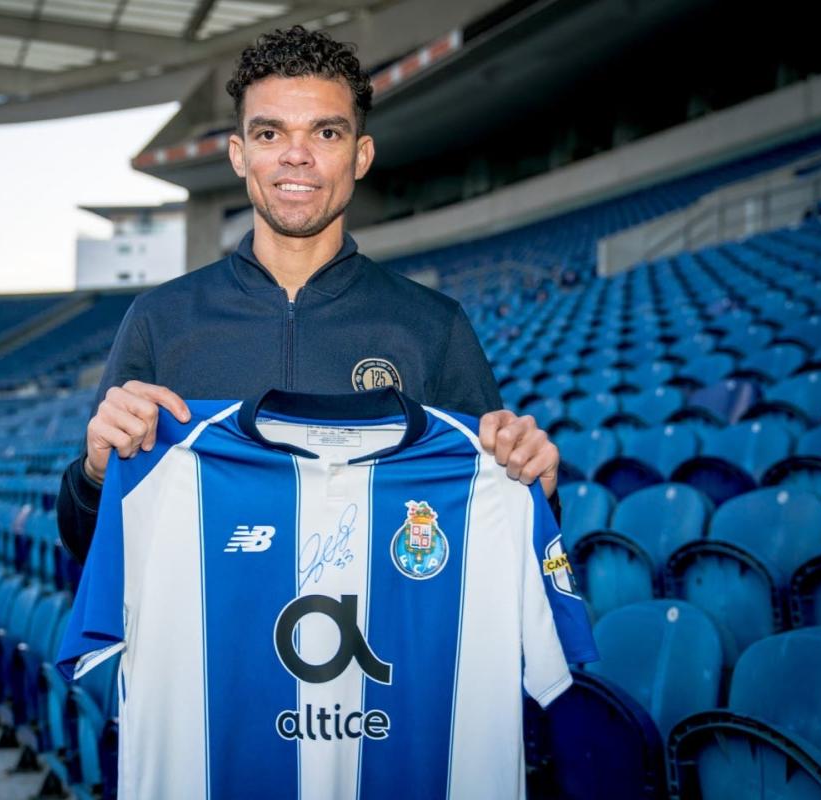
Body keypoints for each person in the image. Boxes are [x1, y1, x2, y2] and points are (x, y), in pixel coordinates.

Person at [57, 25, 561, 562]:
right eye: (269, 134)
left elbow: (496, 538)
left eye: (325, 133)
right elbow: (86, 546)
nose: (296, 156)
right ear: (239, 154)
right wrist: (94, 475)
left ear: (360, 156)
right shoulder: (159, 320)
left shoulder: (434, 326)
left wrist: (535, 484)